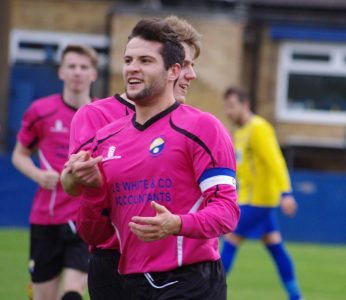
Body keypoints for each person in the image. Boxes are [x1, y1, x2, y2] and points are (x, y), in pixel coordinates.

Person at [75, 18, 239, 300]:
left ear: (173, 70)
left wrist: (177, 224)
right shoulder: (105, 138)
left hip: (188, 281)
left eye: (145, 60)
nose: (132, 68)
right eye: (128, 60)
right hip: (125, 282)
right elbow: (93, 235)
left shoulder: (203, 128)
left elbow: (227, 211)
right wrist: (91, 191)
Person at [11, 44, 98, 300]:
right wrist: (38, 175)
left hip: (83, 219)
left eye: (84, 67)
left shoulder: (103, 115)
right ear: (61, 72)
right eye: (71, 66)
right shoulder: (40, 111)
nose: (77, 72)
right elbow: (20, 154)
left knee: (72, 294)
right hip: (46, 218)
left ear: (94, 74)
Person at [221, 86, 303, 300]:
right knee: (275, 246)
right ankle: (296, 296)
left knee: (230, 240)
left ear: (245, 104)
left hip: (256, 202)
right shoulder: (240, 132)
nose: (228, 112)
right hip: (251, 199)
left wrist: (286, 192)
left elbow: (275, 161)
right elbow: (242, 169)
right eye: (226, 107)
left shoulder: (258, 127)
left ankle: (212, 293)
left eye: (232, 106)